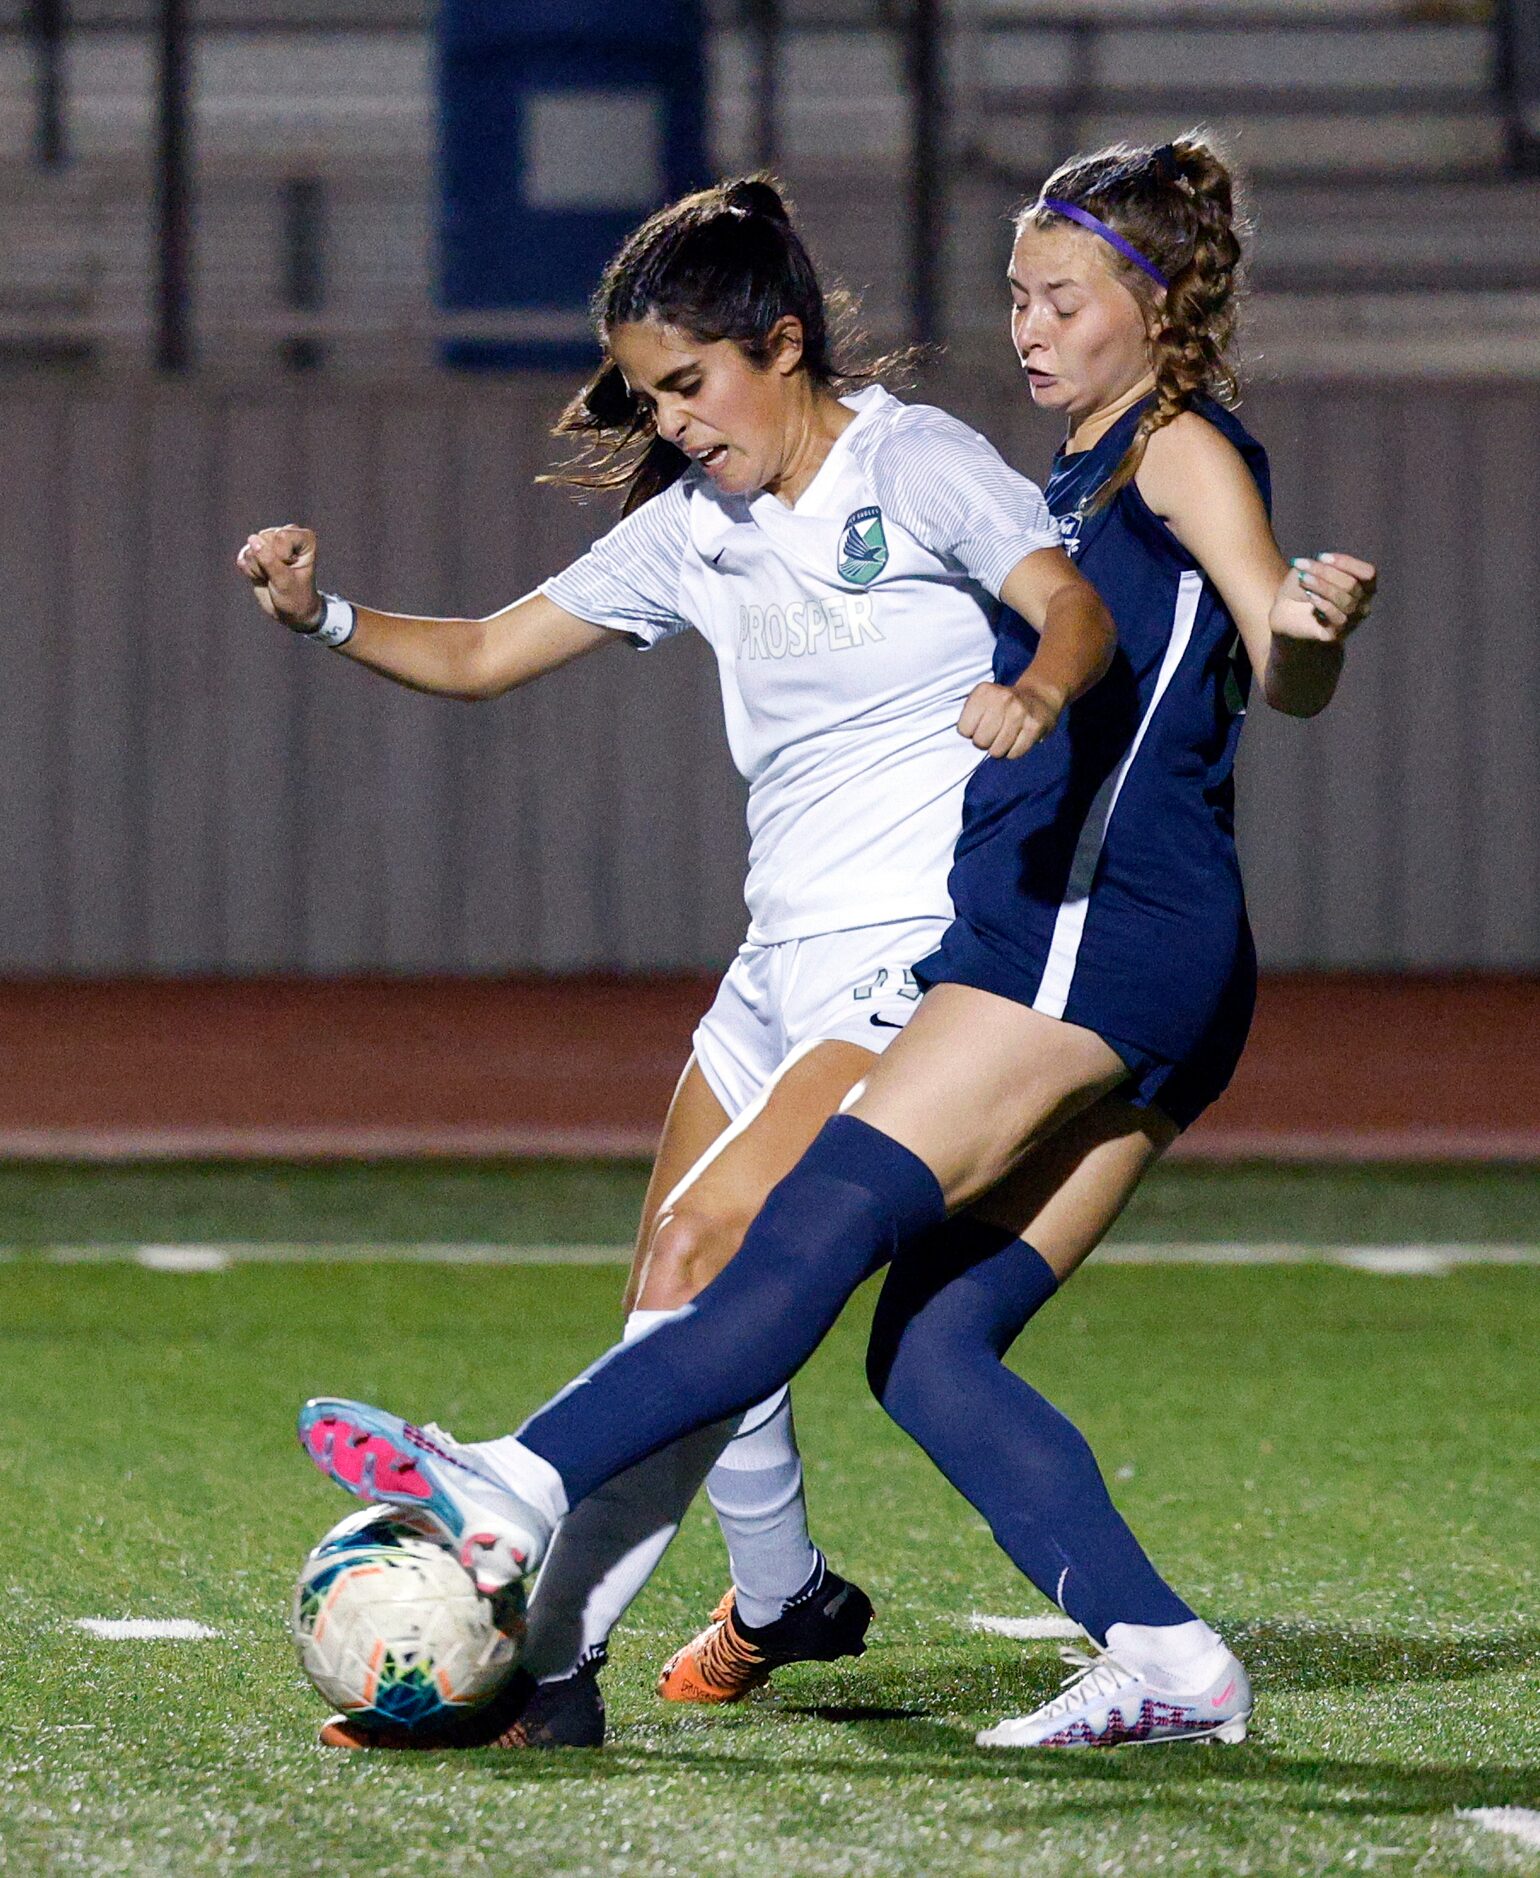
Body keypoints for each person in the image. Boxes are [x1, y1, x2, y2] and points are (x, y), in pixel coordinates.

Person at [291, 132, 1376, 1750]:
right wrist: (322, 612)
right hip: (1087, 943)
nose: (1024, 324)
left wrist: (1279, 632)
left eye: (1058, 295)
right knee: (928, 1353)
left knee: (774, 1246)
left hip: (1075, 929)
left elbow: (1212, 623)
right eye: (1015, 292)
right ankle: (1162, 1657)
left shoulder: (1151, 449)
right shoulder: (1077, 466)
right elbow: (1202, 628)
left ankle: (514, 1491)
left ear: (1154, 306)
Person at [238, 175, 1107, 1746]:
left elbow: (1072, 604)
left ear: (781, 345)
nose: (674, 422)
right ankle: (782, 1596)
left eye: (688, 386)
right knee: (672, 1282)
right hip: (771, 968)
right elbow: (488, 650)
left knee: (713, 1248)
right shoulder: (693, 530)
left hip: (911, 962)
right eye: (648, 396)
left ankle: (548, 1655)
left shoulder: (913, 461)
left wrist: (1039, 688)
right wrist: (324, 613)